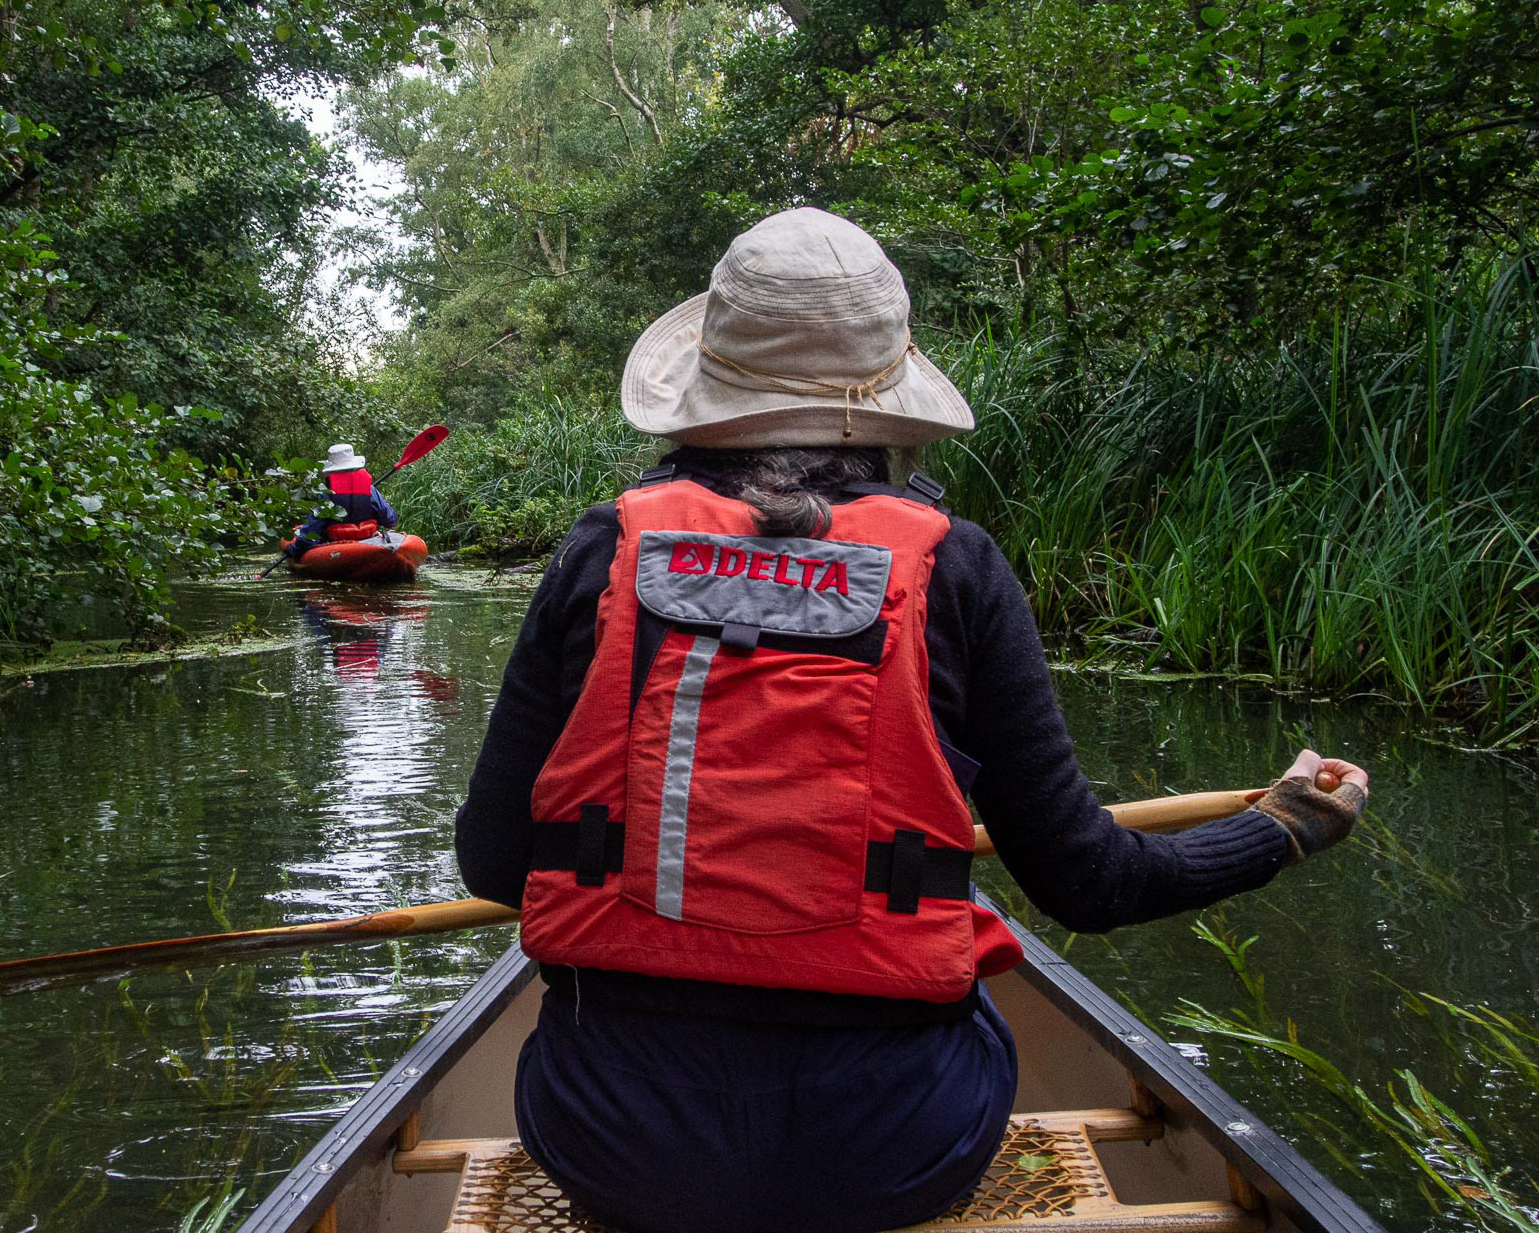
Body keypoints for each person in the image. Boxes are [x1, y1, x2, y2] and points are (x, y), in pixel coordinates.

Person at [453, 207, 1370, 1233]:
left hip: (619, 1149)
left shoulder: (600, 551)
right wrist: (1279, 828)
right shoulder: (959, 566)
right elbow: (1090, 883)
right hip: (890, 1153)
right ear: (889, 404)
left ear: (701, 399)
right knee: (968, 987)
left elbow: (493, 863)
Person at [283, 443, 398, 560]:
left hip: (334, 548)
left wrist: (292, 549)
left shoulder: (324, 492)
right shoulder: (370, 489)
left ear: (330, 469)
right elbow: (390, 520)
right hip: (368, 542)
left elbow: (311, 535)